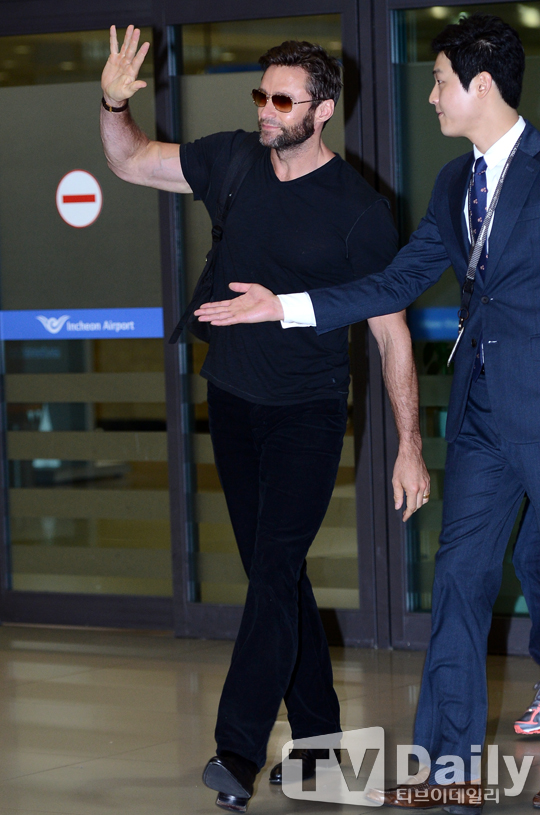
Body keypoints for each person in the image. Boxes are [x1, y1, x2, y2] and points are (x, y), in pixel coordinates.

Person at [196, 12, 540, 813]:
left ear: (481, 85)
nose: (431, 96)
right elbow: (393, 285)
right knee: (458, 578)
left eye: (440, 82)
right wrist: (284, 306)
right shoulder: (453, 186)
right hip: (484, 415)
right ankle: (448, 773)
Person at [100, 25, 429, 814]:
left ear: (322, 110)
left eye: (284, 100)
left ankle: (237, 749)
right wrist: (111, 104)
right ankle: (319, 745)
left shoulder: (359, 212)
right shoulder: (234, 160)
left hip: (307, 413)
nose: (267, 110)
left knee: (276, 571)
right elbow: (130, 160)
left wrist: (409, 445)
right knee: (275, 578)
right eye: (262, 95)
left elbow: (391, 335)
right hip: (233, 400)